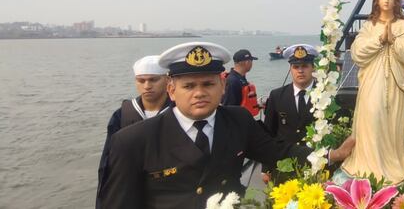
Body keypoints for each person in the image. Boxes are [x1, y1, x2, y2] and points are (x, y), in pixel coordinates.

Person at [100, 42, 354, 209]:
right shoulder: (132, 141)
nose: (199, 93)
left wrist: (332, 155)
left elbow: (279, 151)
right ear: (171, 90)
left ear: (222, 86)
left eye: (208, 84)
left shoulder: (238, 120)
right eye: (189, 86)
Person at [340, 0, 404, 184]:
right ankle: (369, 163)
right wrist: (379, 39)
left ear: (395, 2)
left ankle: (392, 160)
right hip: (372, 80)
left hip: (395, 82)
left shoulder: (402, 25)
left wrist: (393, 41)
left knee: (391, 119)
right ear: (377, 1)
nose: (386, 0)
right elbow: (357, 52)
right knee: (372, 116)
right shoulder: (369, 25)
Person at [96, 55, 173, 208]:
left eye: (153, 80)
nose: (147, 86)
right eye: (141, 80)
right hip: (130, 187)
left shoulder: (178, 112)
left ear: (167, 80)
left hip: (169, 188)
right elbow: (108, 162)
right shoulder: (123, 115)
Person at [262, 44, 319, 181]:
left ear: (313, 68)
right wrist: (266, 168)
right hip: (284, 167)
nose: (300, 71)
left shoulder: (325, 96)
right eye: (296, 67)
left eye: (305, 66)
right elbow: (268, 133)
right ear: (290, 69)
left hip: (316, 167)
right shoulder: (277, 96)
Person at [222, 49, 259, 116]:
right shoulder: (233, 81)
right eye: (251, 61)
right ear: (247, 62)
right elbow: (228, 108)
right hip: (236, 122)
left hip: (243, 119)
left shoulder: (240, 78)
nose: (252, 64)